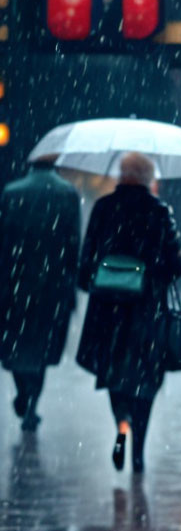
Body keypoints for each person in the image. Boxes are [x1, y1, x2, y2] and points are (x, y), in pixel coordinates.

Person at [76, 152, 181, 474]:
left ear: (122, 175)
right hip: (147, 313)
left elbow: (86, 262)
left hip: (108, 313)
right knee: (145, 381)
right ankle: (138, 450)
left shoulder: (103, 208)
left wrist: (99, 280)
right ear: (149, 177)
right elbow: (177, 266)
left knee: (114, 376)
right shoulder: (160, 212)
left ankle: (121, 425)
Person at [0, 156, 81, 432]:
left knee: (16, 345)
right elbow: (73, 243)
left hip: (16, 284)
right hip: (53, 286)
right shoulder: (68, 194)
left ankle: (24, 392)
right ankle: (32, 403)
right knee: (42, 348)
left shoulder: (12, 193)